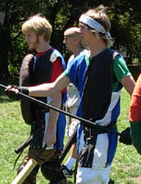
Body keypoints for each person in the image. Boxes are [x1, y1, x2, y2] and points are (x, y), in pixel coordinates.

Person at [6, 6, 136, 183]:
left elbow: (136, 94)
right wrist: (23, 91)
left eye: (82, 27)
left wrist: (134, 128)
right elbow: (53, 87)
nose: (79, 31)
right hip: (83, 134)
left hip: (103, 136)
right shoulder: (80, 60)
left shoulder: (114, 60)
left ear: (95, 32)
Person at [11, 14, 67, 184]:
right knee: (51, 169)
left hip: (50, 120)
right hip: (40, 121)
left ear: (41, 35)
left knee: (26, 172)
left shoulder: (53, 58)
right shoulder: (37, 57)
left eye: (29, 35)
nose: (26, 39)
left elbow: (56, 94)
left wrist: (50, 130)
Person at [60, 27, 86, 178]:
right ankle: (72, 164)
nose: (64, 42)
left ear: (76, 39)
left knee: (76, 135)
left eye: (66, 38)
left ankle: (71, 166)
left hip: (80, 104)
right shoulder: (71, 58)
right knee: (72, 134)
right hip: (70, 103)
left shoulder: (84, 58)